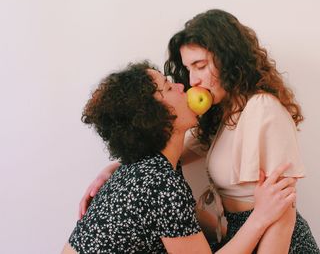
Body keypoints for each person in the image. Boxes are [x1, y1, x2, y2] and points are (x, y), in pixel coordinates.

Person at [79, 9, 320, 253]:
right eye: (188, 68)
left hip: (276, 242)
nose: (192, 80)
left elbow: (283, 211)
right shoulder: (219, 115)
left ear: (229, 60)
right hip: (243, 235)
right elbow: (166, 151)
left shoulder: (262, 109)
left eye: (200, 65)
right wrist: (114, 169)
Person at [63, 61, 297, 254]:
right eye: (167, 87)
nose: (180, 87)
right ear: (153, 116)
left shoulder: (149, 170)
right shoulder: (160, 183)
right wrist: (261, 217)